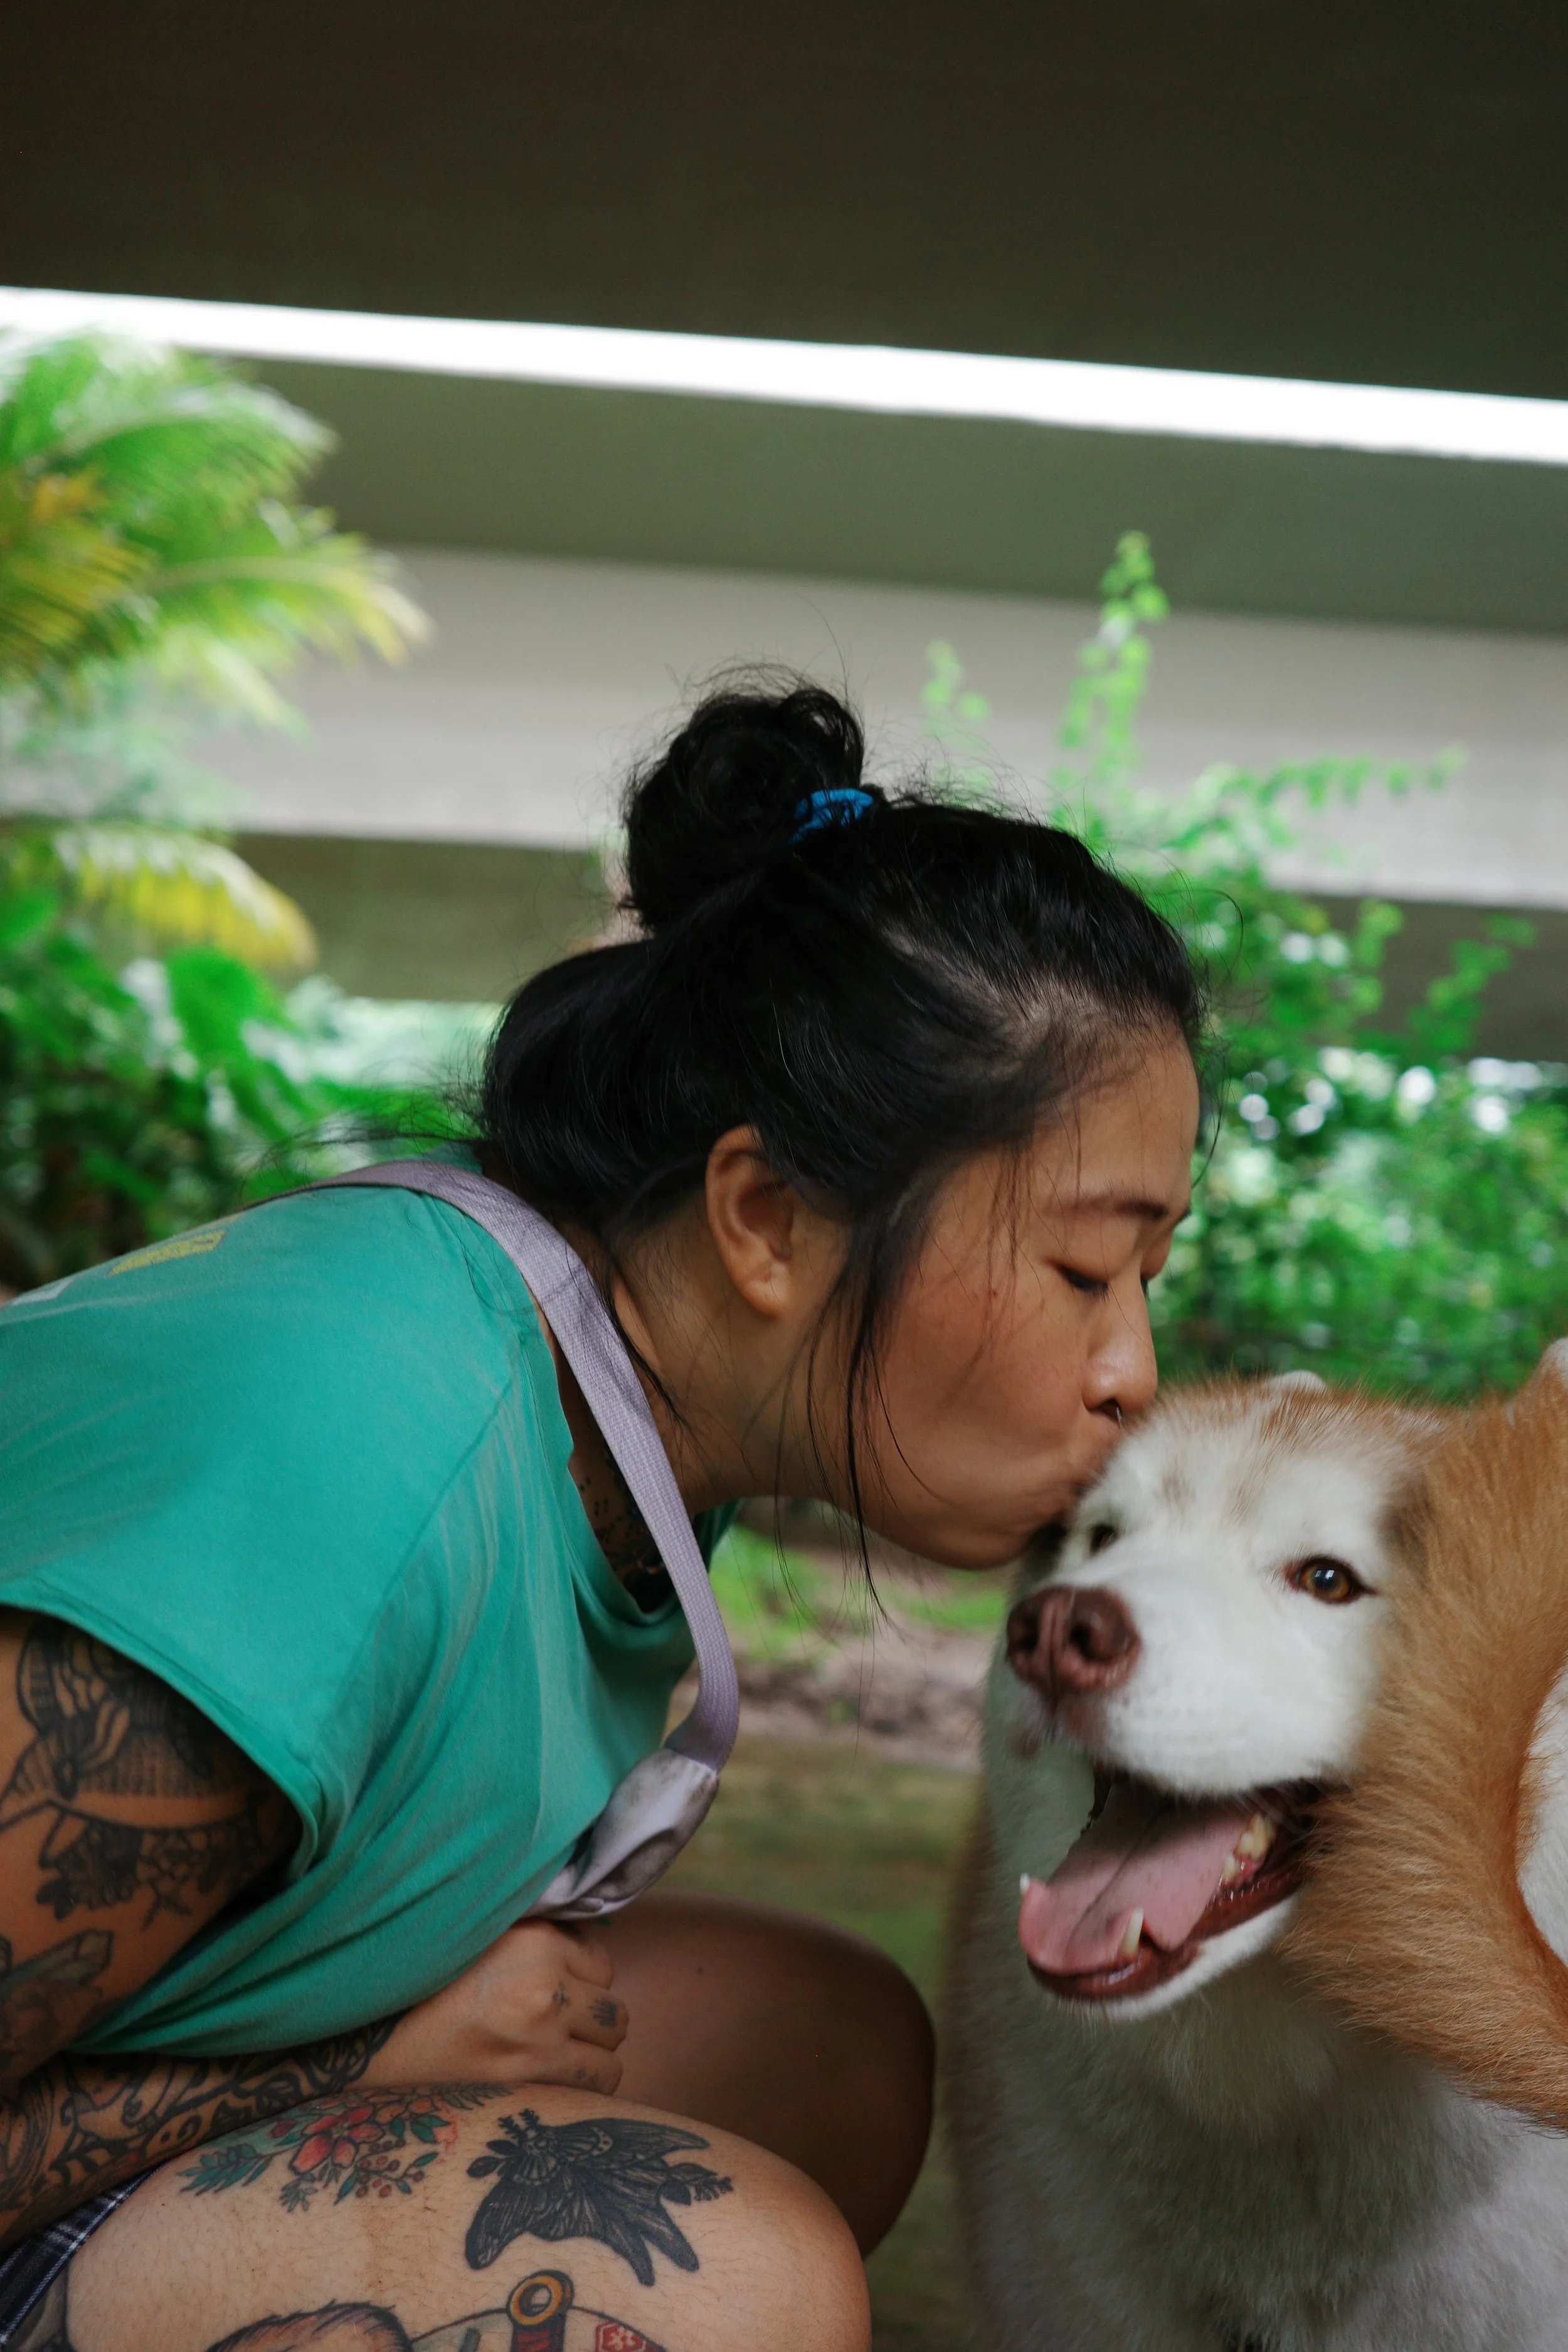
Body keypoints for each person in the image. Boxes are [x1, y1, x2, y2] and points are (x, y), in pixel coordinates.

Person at [0, 684, 1201, 2352]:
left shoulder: (621, 1420)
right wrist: (357, 2064)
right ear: (767, 1217)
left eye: (1148, 1276)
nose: (1131, 1369)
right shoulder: (352, 1481)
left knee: (824, 2044)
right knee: (723, 2285)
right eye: (1082, 1269)